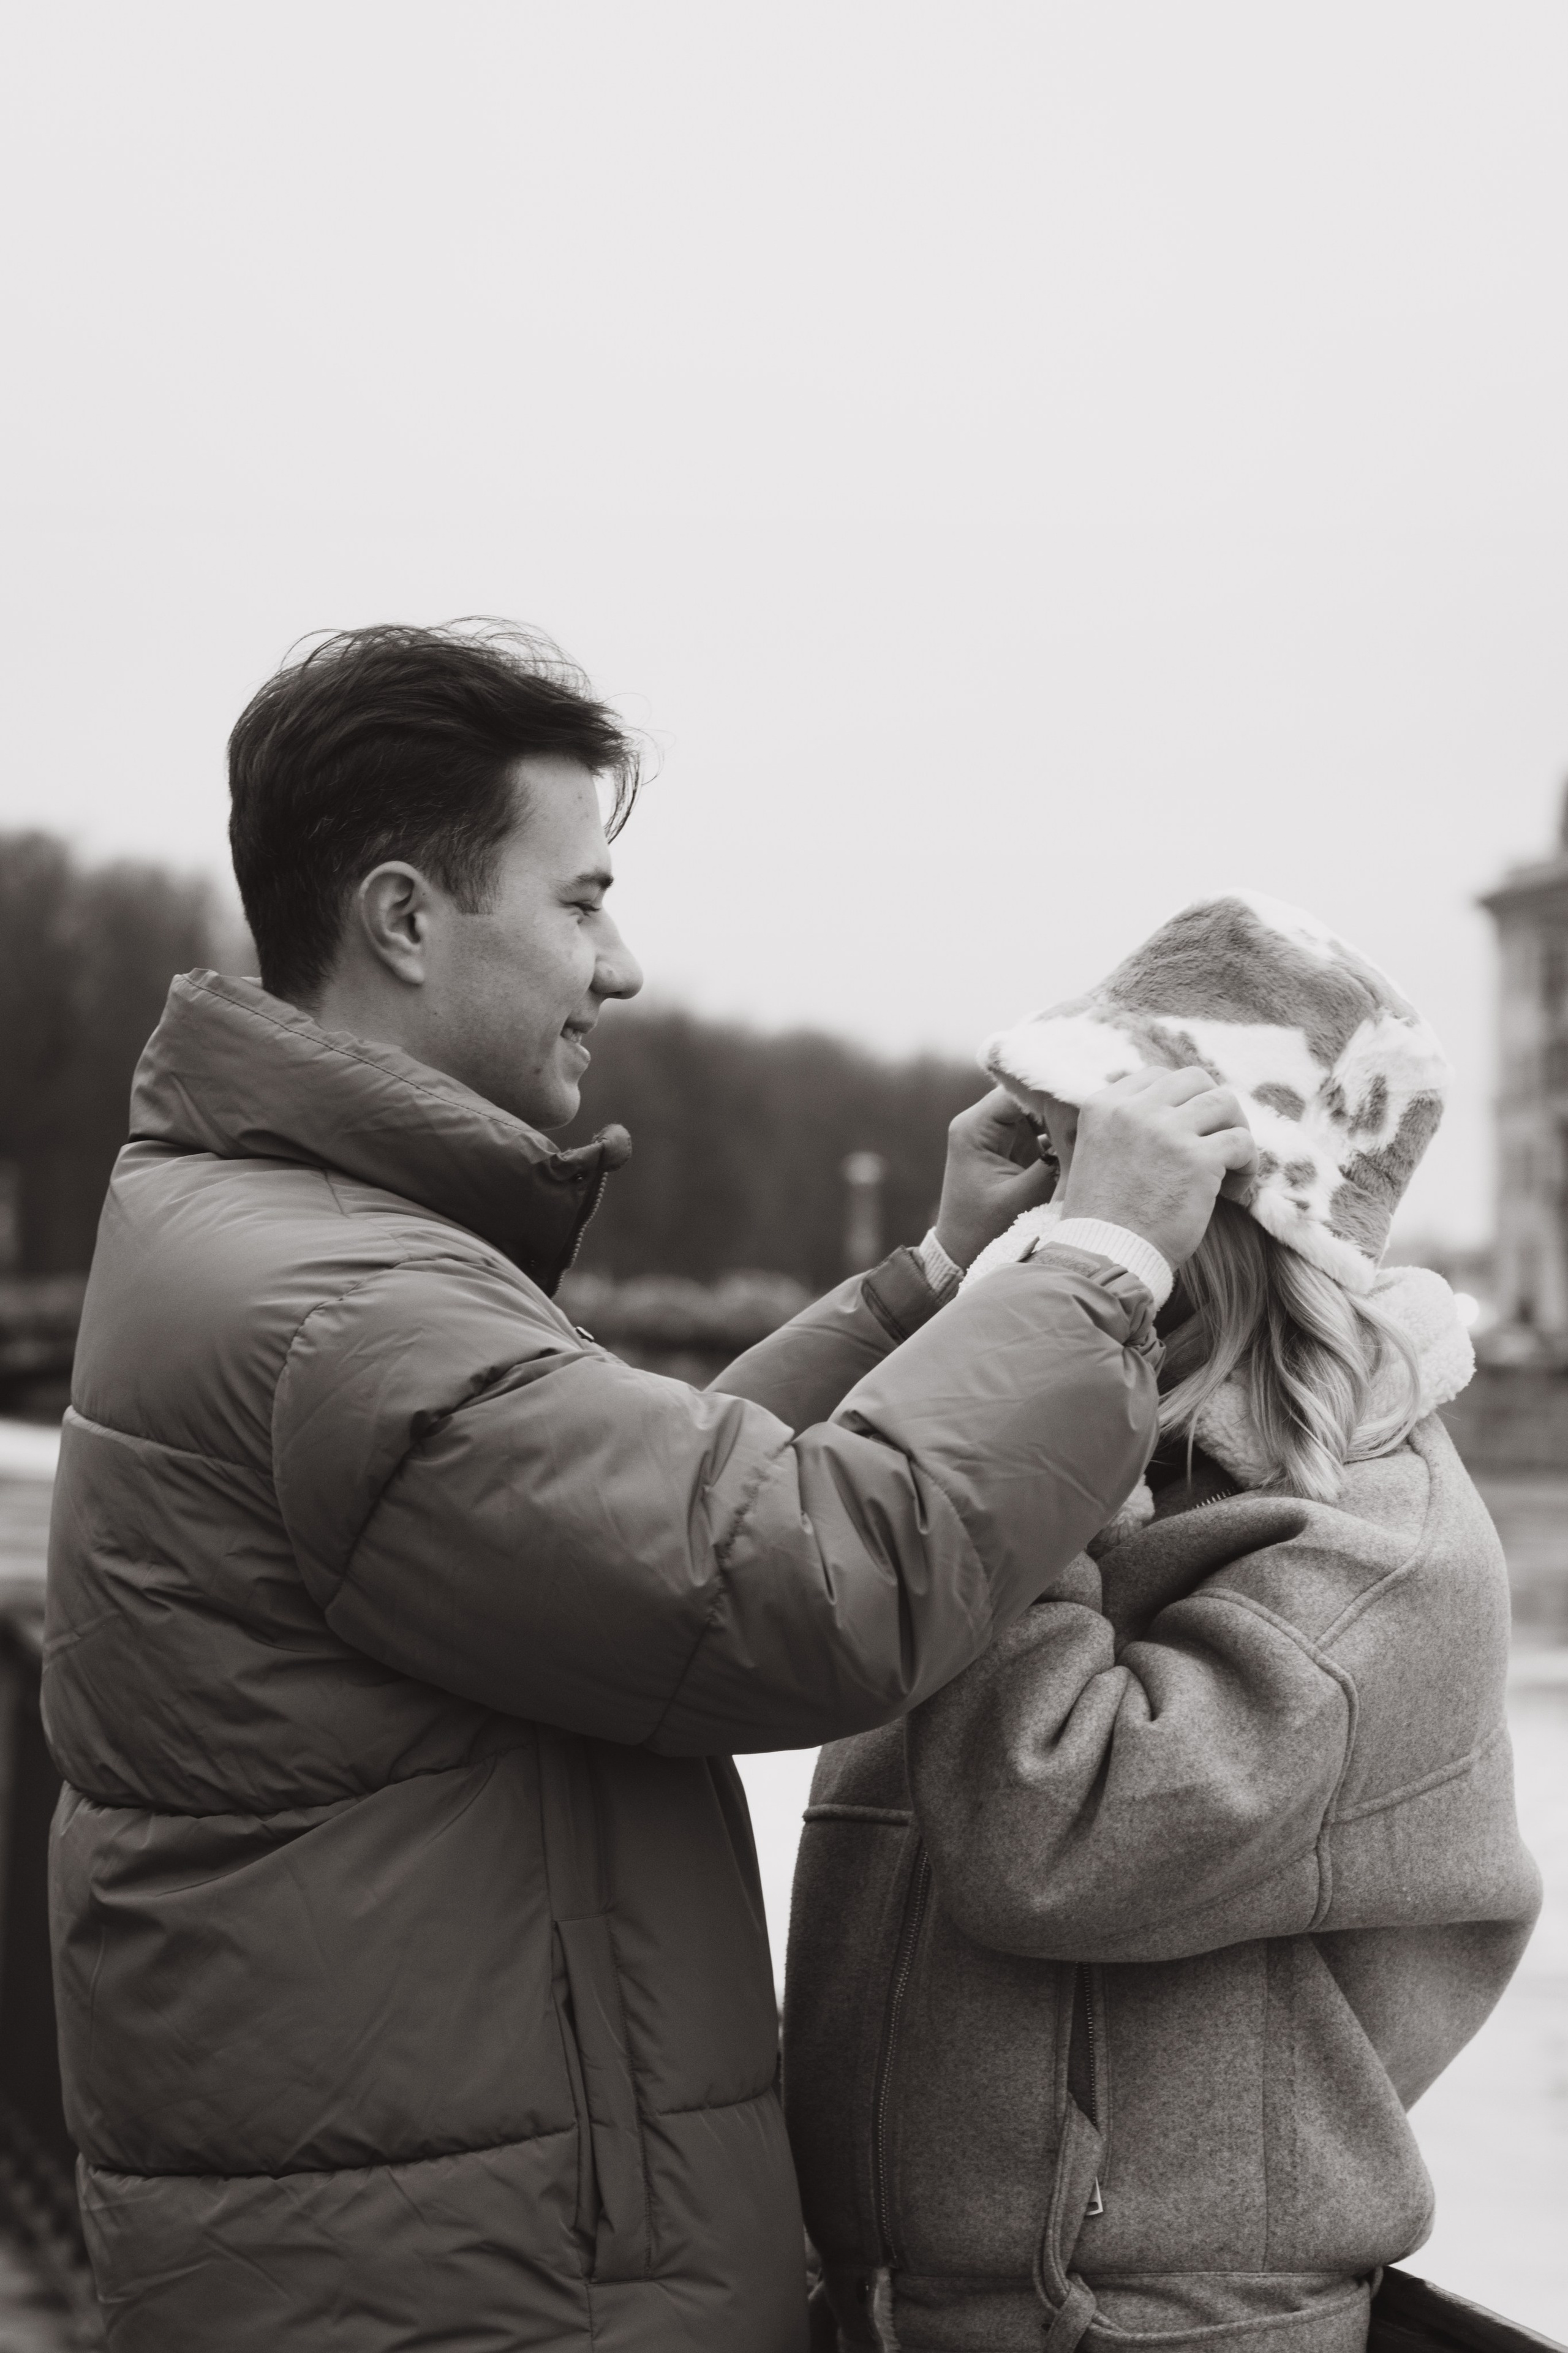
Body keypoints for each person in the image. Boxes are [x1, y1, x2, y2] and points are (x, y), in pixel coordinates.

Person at [42, 624, 1254, 2353]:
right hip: (478, 2290)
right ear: (403, 917)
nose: (620, 966)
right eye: (581, 901)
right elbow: (799, 1588)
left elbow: (634, 1530)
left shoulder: (288, 1241)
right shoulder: (347, 1304)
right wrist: (1108, 1263)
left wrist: (928, 1279)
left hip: (409, 2255)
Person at [783, 891, 1541, 2353]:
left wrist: (1017, 1463)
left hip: (1162, 2328)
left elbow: (1049, 1832)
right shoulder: (1102, 1453)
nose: (1062, 1211)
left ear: (1231, 1212)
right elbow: (770, 1531)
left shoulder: (1374, 1547)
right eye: (1061, 1158)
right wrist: (943, 1283)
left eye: (1104, 1174)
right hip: (892, 2305)